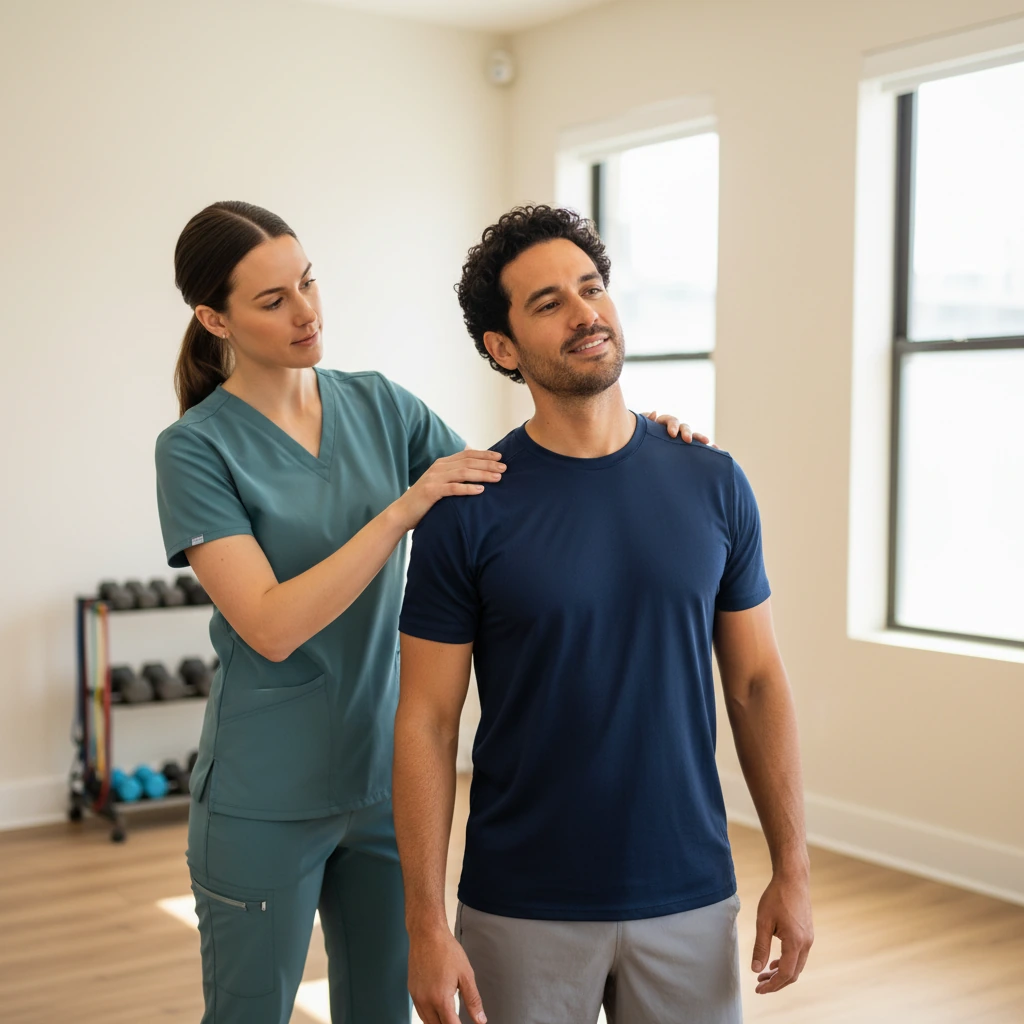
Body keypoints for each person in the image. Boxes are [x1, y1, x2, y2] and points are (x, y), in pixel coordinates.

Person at [154, 200, 705, 1024]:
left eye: (307, 283)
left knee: (384, 1012)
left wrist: (633, 445)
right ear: (214, 318)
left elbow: (508, 488)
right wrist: (399, 510)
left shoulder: (378, 404)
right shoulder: (195, 447)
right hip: (264, 796)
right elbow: (269, 623)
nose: (307, 311)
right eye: (273, 301)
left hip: (382, 788)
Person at [394, 206, 814, 1024]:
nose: (585, 313)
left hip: (691, 895)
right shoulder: (467, 508)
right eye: (548, 302)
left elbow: (758, 683)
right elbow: (426, 721)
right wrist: (424, 924)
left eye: (592, 289)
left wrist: (793, 868)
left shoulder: (713, 481)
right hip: (519, 906)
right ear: (503, 348)